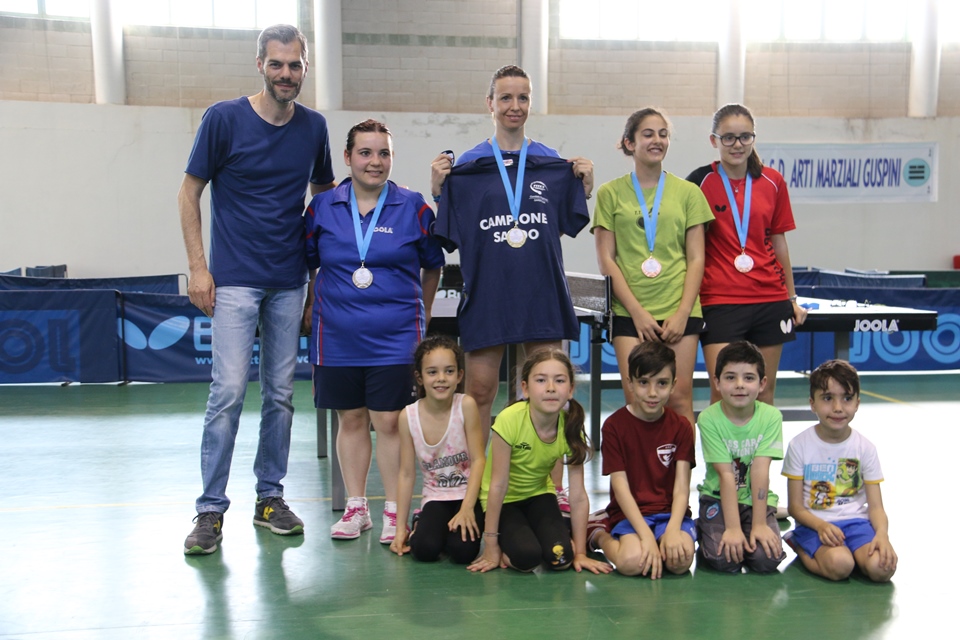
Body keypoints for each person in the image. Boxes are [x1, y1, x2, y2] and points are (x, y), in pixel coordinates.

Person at [179, 24, 335, 555]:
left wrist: (318, 282)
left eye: (295, 65)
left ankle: (270, 497)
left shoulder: (314, 128)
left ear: (305, 68)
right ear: (260, 64)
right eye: (277, 64)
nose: (286, 74)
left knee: (282, 397)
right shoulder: (223, 119)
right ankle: (209, 510)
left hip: (289, 281)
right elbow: (188, 193)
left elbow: (324, 202)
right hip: (236, 282)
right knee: (225, 395)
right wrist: (199, 269)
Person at [431, 64, 592, 511]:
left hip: (541, 293)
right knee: (480, 393)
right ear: (490, 104)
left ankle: (551, 487)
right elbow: (447, 230)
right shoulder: (465, 168)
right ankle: (481, 485)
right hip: (488, 294)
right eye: (506, 98)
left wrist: (584, 182)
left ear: (530, 103)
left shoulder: (552, 165)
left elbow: (574, 219)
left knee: (550, 392)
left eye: (523, 98)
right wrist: (439, 188)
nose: (514, 106)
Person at [304, 119, 444, 544]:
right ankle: (356, 507)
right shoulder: (322, 207)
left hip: (397, 334)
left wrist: (425, 312)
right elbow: (310, 261)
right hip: (337, 333)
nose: (374, 162)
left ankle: (394, 509)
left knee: (388, 421)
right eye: (365, 153)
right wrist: (312, 304)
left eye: (383, 153)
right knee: (351, 419)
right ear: (347, 158)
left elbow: (432, 265)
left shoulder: (414, 206)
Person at [593, 107, 713, 429]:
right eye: (648, 134)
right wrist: (636, 312)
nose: (657, 140)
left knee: (679, 397)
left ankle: (681, 478)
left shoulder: (689, 193)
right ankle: (638, 478)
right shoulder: (609, 193)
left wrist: (683, 312)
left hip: (680, 310)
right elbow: (607, 259)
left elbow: (696, 258)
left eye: (663, 134)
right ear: (629, 143)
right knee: (638, 400)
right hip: (630, 313)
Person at [686, 103, 807, 405]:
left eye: (744, 137)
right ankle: (720, 456)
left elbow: (779, 243)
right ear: (714, 140)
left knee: (763, 392)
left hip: (770, 299)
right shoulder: (698, 183)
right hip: (720, 300)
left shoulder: (772, 181)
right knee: (723, 391)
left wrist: (791, 297)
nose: (737, 145)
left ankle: (761, 455)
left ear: (753, 138)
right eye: (728, 137)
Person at [467, 349, 611, 575]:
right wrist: (492, 544)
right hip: (504, 501)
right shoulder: (509, 420)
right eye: (541, 380)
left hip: (539, 495)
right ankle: (513, 543)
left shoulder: (571, 427)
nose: (551, 387)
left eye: (560, 380)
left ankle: (557, 534)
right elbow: (497, 485)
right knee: (526, 557)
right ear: (525, 388)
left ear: (571, 389)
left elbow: (578, 494)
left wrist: (581, 553)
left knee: (562, 558)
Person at [587, 342, 696, 578]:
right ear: (630, 383)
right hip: (630, 513)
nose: (653, 393)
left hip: (669, 512)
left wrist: (674, 529)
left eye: (662, 383)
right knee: (632, 563)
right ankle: (598, 533)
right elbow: (621, 487)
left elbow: (681, 488)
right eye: (643, 382)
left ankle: (662, 536)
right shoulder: (615, 426)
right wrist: (646, 536)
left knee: (680, 562)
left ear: (673, 385)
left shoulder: (682, 427)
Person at [782, 360, 897, 582]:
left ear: (857, 403)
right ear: (812, 403)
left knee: (882, 569)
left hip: (857, 523)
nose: (838, 407)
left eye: (847, 398)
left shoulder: (865, 448)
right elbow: (795, 507)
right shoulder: (799, 445)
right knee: (841, 566)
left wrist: (882, 536)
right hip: (814, 524)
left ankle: (853, 552)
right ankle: (798, 543)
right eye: (827, 398)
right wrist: (821, 525)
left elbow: (876, 507)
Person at [390, 335, 485, 563]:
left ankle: (455, 526)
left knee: (462, 552)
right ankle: (418, 523)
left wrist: (468, 508)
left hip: (468, 495)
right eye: (432, 372)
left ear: (459, 375)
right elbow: (405, 474)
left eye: (449, 371)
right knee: (423, 550)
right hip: (436, 497)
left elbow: (479, 460)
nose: (441, 379)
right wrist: (399, 527)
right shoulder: (408, 417)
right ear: (420, 377)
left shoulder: (466, 406)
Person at [696, 341, 785, 573]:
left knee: (766, 559)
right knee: (725, 560)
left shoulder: (771, 417)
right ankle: (705, 528)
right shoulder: (708, 418)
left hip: (754, 498)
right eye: (730, 377)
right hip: (716, 498)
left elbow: (759, 470)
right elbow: (726, 474)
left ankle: (756, 524)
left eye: (748, 378)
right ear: (716, 382)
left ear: (762, 383)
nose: (739, 385)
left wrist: (759, 524)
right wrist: (733, 528)